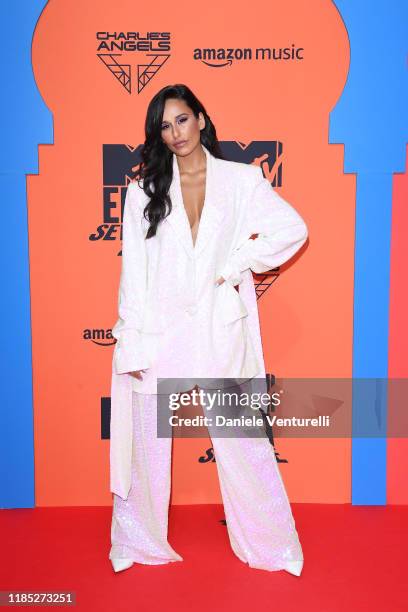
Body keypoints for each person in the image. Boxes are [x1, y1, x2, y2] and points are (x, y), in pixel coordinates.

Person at [108, 84, 308, 576]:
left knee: (244, 442)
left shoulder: (242, 180)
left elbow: (292, 229)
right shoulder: (142, 192)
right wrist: (130, 337)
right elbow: (134, 272)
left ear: (200, 118)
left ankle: (270, 545)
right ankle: (137, 541)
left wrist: (239, 262)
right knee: (145, 444)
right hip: (160, 329)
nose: (174, 132)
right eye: (163, 125)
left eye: (181, 119)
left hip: (219, 327)